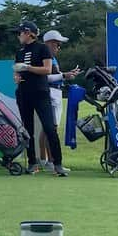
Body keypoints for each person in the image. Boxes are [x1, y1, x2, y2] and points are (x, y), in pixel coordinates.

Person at [13, 22, 68, 177]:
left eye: (20, 33)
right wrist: (17, 77)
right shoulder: (19, 52)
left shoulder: (42, 48)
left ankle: (58, 164)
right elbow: (17, 71)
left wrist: (27, 68)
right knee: (28, 130)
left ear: (29, 33)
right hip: (24, 94)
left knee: (50, 128)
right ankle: (32, 163)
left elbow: (47, 69)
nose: (18, 36)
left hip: (41, 93)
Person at [36, 30, 81, 172]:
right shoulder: (45, 57)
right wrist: (65, 75)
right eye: (57, 44)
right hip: (51, 93)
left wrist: (66, 75)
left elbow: (55, 75)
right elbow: (46, 77)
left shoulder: (50, 58)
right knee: (51, 129)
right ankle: (51, 161)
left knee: (47, 128)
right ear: (49, 43)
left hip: (54, 92)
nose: (58, 48)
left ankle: (45, 160)